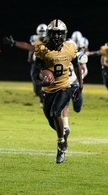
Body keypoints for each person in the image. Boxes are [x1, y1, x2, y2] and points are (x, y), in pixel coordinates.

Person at [31, 18, 83, 164]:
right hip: (49, 89)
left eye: (59, 33)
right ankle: (64, 132)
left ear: (64, 34)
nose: (56, 36)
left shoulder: (70, 47)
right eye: (53, 33)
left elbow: (77, 66)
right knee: (50, 119)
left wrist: (80, 85)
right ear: (49, 34)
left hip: (65, 87)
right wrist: (43, 80)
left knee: (55, 113)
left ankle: (61, 145)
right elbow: (35, 73)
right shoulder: (42, 49)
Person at [2, 23, 47, 107]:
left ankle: (49, 101)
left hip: (47, 65)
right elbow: (30, 48)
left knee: (49, 84)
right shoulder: (34, 39)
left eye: (43, 31)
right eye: (41, 31)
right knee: (37, 88)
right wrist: (29, 57)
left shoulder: (50, 40)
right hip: (36, 64)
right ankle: (42, 97)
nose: (42, 34)